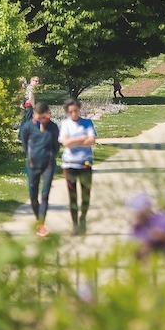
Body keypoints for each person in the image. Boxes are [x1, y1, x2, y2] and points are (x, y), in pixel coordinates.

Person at [17, 101, 59, 237]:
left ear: (47, 115)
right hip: (33, 165)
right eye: (38, 117)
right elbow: (24, 143)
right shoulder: (28, 127)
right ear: (34, 115)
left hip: (48, 165)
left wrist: (50, 157)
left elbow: (56, 146)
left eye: (43, 117)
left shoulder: (53, 127)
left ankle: (41, 225)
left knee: (45, 195)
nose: (41, 120)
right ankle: (37, 219)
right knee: (33, 197)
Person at [58, 98, 98, 235]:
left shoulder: (87, 123)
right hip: (70, 164)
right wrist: (82, 139)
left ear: (79, 109)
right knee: (72, 196)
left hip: (85, 163)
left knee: (86, 195)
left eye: (76, 111)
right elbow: (65, 143)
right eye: (71, 112)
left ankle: (83, 219)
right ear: (67, 112)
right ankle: (75, 224)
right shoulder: (65, 124)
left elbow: (91, 140)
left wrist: (73, 141)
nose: (74, 114)